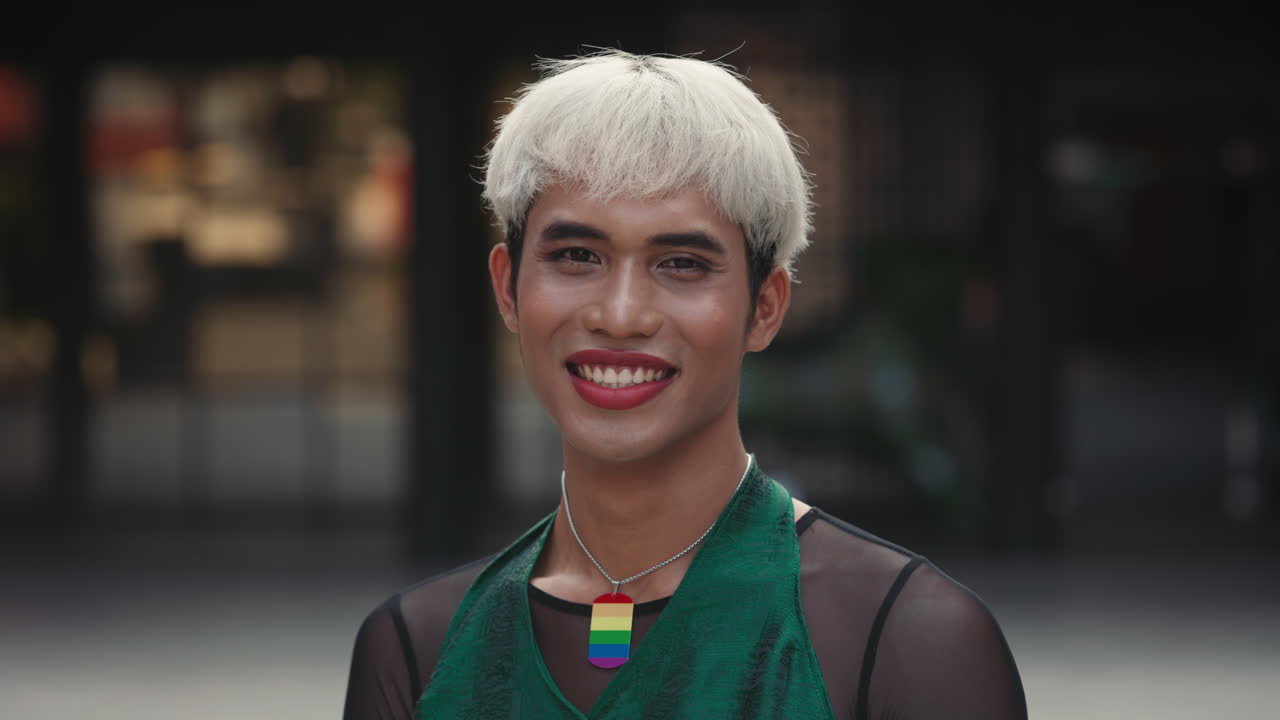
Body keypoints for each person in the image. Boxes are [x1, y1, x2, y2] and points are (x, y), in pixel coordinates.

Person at [343, 50, 1027, 720]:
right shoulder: (417, 651)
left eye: (681, 263)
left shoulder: (911, 637)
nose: (620, 315)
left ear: (766, 308)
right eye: (577, 256)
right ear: (508, 288)